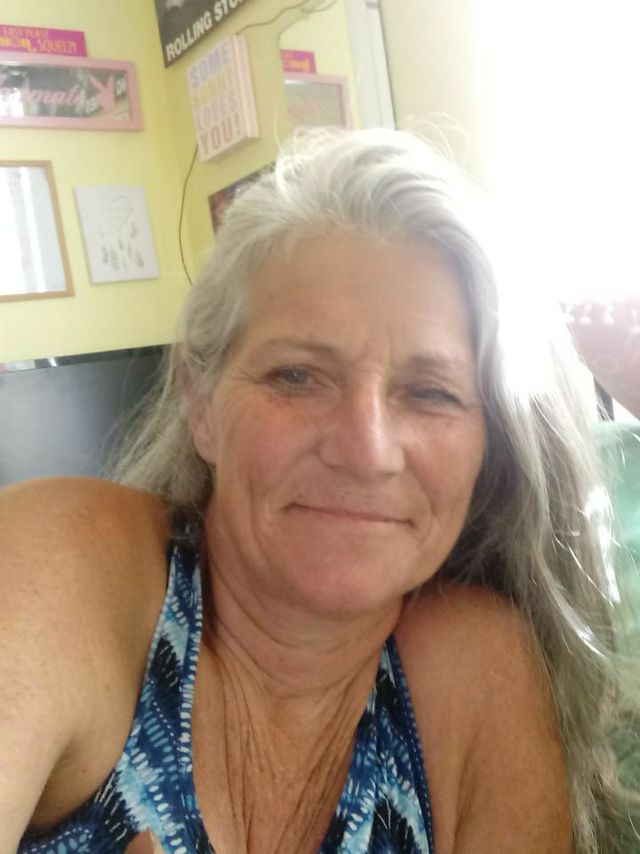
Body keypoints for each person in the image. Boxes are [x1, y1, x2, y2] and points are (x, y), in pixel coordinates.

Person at [1, 128, 637, 854]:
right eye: (297, 376)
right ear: (199, 403)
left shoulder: (478, 670)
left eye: (431, 393)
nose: (366, 451)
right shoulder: (64, 569)